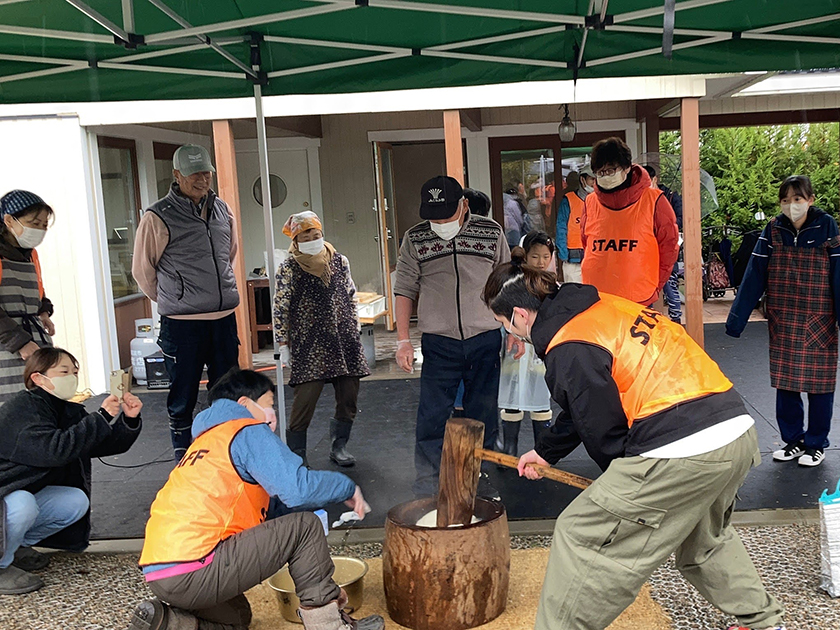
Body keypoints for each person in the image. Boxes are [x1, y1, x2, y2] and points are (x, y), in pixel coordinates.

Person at [481, 264, 785, 630]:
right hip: (733, 429)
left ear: (519, 314)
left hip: (680, 447)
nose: (507, 331)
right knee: (705, 542)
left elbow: (603, 430)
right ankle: (765, 623)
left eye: (503, 323)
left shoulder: (568, 345)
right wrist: (545, 452)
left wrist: (626, 495)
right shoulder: (600, 308)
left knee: (579, 532)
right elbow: (586, 405)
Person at [127, 369, 382, 630]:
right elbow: (297, 489)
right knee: (305, 527)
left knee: (237, 618)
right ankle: (330, 626)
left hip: (161, 574)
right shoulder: (245, 429)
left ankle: (168, 623)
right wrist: (346, 487)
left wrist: (319, 504)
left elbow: (272, 507)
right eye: (269, 405)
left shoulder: (206, 442)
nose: (273, 415)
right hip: (196, 566)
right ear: (244, 404)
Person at [393, 175, 520, 497]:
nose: (439, 222)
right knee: (432, 415)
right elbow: (405, 288)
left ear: (464, 205)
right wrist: (403, 340)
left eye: (445, 214)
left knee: (483, 414)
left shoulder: (490, 232)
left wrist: (515, 330)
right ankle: (428, 483)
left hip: (485, 336)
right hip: (439, 340)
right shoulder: (415, 238)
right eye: (432, 216)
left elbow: (506, 283)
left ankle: (479, 480)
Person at [0, 348, 142, 594]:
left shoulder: (65, 409)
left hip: (24, 494)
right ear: (38, 378)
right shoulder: (21, 409)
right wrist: (99, 416)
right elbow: (53, 450)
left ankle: (16, 546)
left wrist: (128, 420)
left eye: (75, 372)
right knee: (23, 503)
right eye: (64, 371)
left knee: (75, 501)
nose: (72, 378)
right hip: (8, 493)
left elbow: (99, 442)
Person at [133, 144, 241, 460]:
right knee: (183, 396)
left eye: (206, 172)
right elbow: (143, 270)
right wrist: (175, 298)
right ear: (177, 174)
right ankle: (184, 457)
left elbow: (228, 255)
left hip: (222, 320)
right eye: (194, 173)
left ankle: (224, 454)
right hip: (182, 326)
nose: (202, 179)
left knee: (227, 393)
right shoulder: (157, 216)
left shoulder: (223, 210)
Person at [727, 175, 840, 468]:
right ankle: (793, 441)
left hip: (821, 318)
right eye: (786, 200)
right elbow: (754, 272)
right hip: (784, 317)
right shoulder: (773, 229)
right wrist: (736, 319)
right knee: (786, 384)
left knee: (820, 386)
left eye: (798, 199)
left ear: (811, 199)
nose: (792, 205)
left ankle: (816, 444)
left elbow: (839, 273)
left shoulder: (827, 226)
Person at [274, 211, 370, 467]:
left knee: (349, 396)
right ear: (296, 239)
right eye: (307, 236)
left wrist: (356, 329)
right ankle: (297, 455)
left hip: (343, 337)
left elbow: (350, 295)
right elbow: (281, 307)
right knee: (304, 401)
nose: (313, 239)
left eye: (317, 234)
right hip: (309, 342)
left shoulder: (339, 260)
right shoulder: (289, 267)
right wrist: (283, 343)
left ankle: (339, 446)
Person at [581, 137, 679, 307]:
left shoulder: (654, 201)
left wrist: (657, 284)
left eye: (611, 170)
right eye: (600, 172)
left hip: (638, 297)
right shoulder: (590, 202)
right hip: (596, 297)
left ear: (627, 168)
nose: (605, 176)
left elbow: (669, 246)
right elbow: (586, 242)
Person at [497, 233, 554, 458]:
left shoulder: (552, 284)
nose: (541, 262)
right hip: (517, 347)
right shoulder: (514, 283)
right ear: (525, 256)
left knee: (540, 396)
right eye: (535, 256)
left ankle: (542, 451)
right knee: (513, 395)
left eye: (545, 256)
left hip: (539, 349)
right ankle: (510, 449)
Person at [0, 190, 56, 404]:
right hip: (8, 343)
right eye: (34, 222)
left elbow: (37, 290)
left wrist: (43, 312)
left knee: (39, 402)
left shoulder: (30, 253)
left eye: (43, 225)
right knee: (12, 408)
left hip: (33, 339)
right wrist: (20, 342)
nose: (40, 230)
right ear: (8, 220)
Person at [644, 164, 684, 323]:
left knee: (669, 283)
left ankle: (676, 319)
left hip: (667, 247)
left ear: (654, 179)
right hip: (647, 248)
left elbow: (680, 219)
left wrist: (666, 224)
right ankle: (647, 318)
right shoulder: (642, 198)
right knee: (648, 286)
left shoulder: (671, 196)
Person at [555, 166, 595, 283]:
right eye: (591, 179)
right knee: (574, 296)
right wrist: (563, 255)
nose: (594, 183)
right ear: (582, 180)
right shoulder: (568, 200)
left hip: (595, 257)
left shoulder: (601, 200)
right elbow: (561, 228)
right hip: (573, 259)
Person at [503, 181, 530, 249]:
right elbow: (519, 219)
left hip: (505, 231)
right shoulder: (512, 203)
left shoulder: (501, 201)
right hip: (514, 231)